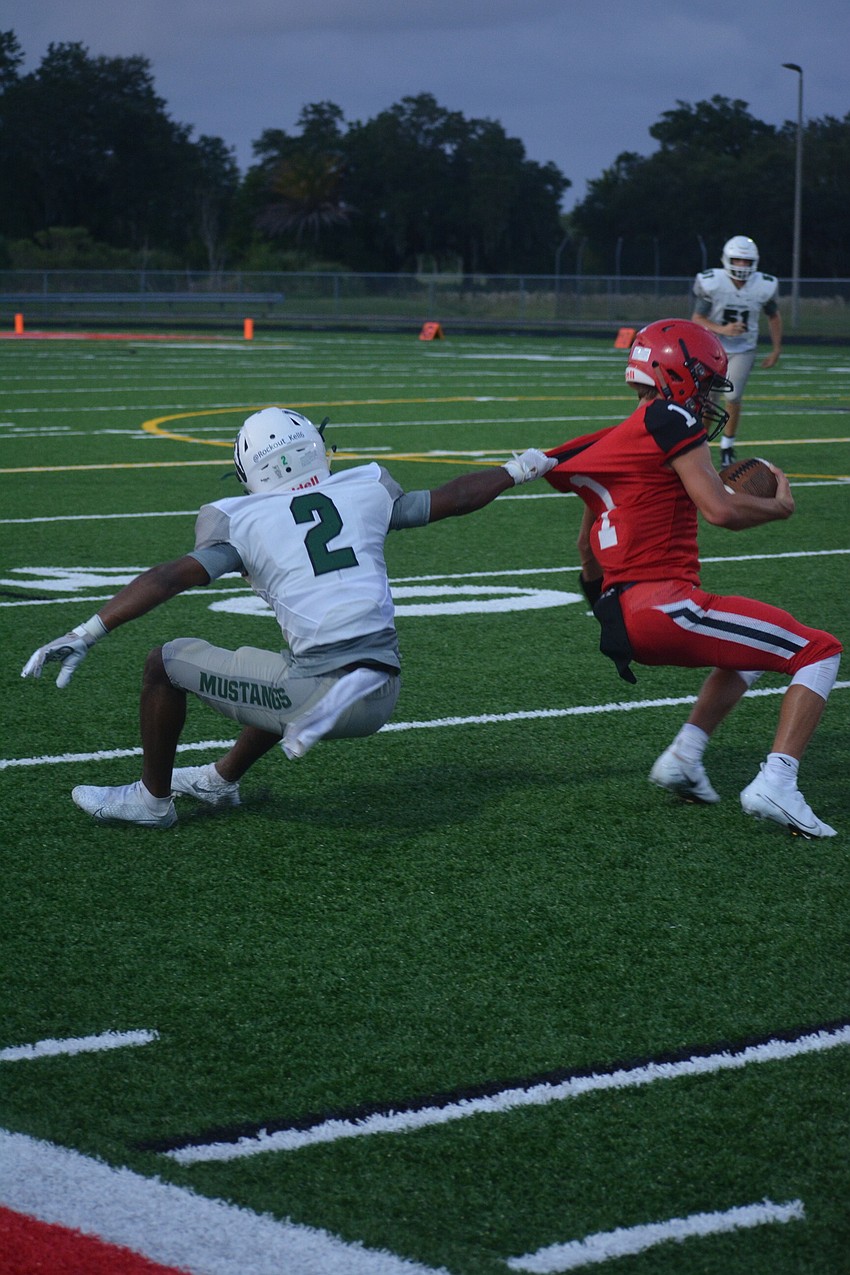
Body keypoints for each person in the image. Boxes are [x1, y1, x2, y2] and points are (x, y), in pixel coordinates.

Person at [21, 407, 555, 828]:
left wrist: (88, 630)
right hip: (384, 687)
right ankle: (220, 780)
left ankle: (151, 801)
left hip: (323, 695)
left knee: (164, 664)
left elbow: (169, 577)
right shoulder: (364, 489)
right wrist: (515, 470)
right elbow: (450, 497)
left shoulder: (240, 518)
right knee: (281, 666)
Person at [544, 318, 841, 838]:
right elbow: (720, 511)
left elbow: (585, 555)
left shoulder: (620, 445)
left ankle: (685, 754)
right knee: (819, 651)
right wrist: (779, 508)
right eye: (703, 382)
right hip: (665, 607)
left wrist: (609, 619)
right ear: (675, 375)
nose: (706, 398)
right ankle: (778, 781)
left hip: (632, 612)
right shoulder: (669, 419)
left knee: (750, 651)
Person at [691, 235, 782, 467]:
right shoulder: (714, 281)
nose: (741, 265)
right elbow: (697, 318)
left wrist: (776, 349)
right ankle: (698, 446)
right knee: (708, 400)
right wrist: (723, 329)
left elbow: (773, 315)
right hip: (713, 347)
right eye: (737, 260)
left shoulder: (763, 285)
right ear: (727, 259)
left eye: (746, 261)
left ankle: (727, 446)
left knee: (732, 395)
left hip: (744, 348)